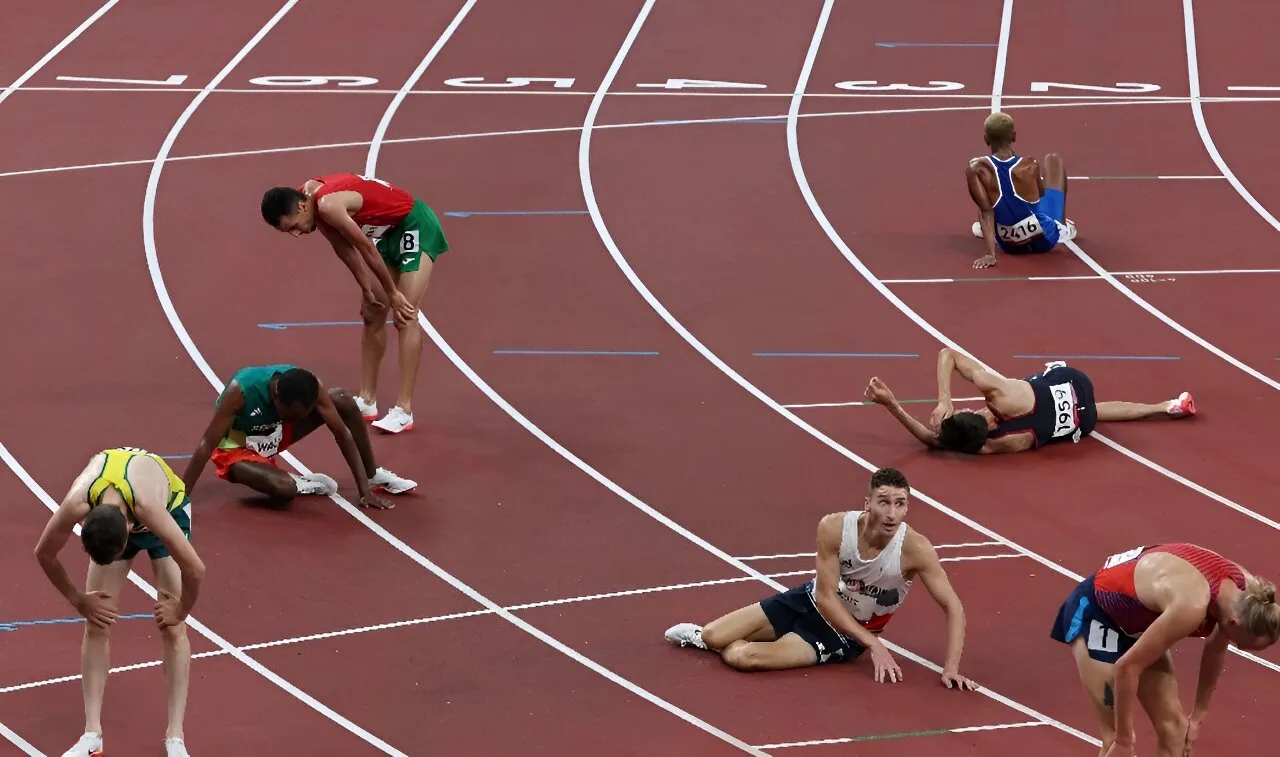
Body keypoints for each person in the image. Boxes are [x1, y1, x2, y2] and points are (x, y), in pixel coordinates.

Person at [663, 467, 980, 690]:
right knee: (712, 635)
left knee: (742, 657)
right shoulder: (834, 528)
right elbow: (826, 597)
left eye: (900, 504)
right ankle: (716, 641)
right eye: (884, 502)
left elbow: (953, 606)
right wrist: (877, 646)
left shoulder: (916, 549)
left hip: (843, 635)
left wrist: (950, 668)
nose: (892, 513)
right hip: (809, 601)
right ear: (867, 503)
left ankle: (761, 646)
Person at [33, 446, 207, 757]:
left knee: (173, 628)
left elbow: (196, 569)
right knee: (96, 621)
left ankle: (176, 738)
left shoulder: (149, 508)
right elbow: (44, 553)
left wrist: (181, 611)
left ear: (128, 530)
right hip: (117, 512)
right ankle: (92, 735)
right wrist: (78, 600)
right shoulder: (77, 502)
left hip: (168, 509)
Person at [260, 172, 451, 434]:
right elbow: (343, 248)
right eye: (288, 231)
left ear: (302, 206)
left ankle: (404, 410)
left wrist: (393, 294)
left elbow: (365, 248)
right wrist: (366, 288)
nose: (296, 234)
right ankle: (367, 400)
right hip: (389, 232)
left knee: (405, 313)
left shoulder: (328, 204)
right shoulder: (311, 199)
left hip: (414, 224)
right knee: (372, 312)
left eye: (293, 226)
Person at [1049, 543, 1280, 757]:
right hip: (1097, 615)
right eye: (1242, 644)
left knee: (1176, 732)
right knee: (1115, 743)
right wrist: (1124, 740)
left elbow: (1216, 649)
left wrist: (1198, 715)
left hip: (1139, 622)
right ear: (1234, 623)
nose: (1239, 647)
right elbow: (1127, 668)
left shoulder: (1248, 597)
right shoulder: (1191, 606)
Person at [864, 349, 1196, 454]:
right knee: (1042, 380)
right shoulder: (1001, 395)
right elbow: (947, 354)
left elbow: (931, 441)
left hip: (1083, 422)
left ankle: (1164, 406)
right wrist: (944, 399)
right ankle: (1164, 406)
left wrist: (893, 406)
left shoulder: (988, 446)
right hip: (1074, 382)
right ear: (981, 414)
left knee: (1094, 412)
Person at [181, 364, 416, 508]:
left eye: (300, 416)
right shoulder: (241, 390)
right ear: (275, 397)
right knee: (284, 491)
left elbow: (342, 433)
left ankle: (372, 475)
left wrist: (364, 490)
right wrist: (181, 497)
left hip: (274, 435)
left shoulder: (311, 385)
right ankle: (297, 483)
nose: (296, 419)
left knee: (342, 399)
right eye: (290, 415)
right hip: (237, 449)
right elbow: (206, 444)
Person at [966, 112, 1077, 269]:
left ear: (986, 139)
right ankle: (1063, 227)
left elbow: (985, 212)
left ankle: (991, 231)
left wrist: (990, 255)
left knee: (986, 200)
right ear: (1014, 136)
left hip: (1009, 245)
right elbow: (1040, 194)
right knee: (1053, 159)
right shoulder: (1030, 164)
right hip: (1044, 238)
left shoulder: (976, 168)